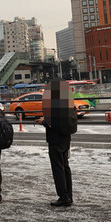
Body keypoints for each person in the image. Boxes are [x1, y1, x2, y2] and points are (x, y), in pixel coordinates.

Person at [37, 79, 79, 207]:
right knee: (65, 166)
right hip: (65, 137)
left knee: (58, 168)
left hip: (55, 139)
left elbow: (53, 122)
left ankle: (63, 196)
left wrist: (43, 122)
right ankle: (69, 195)